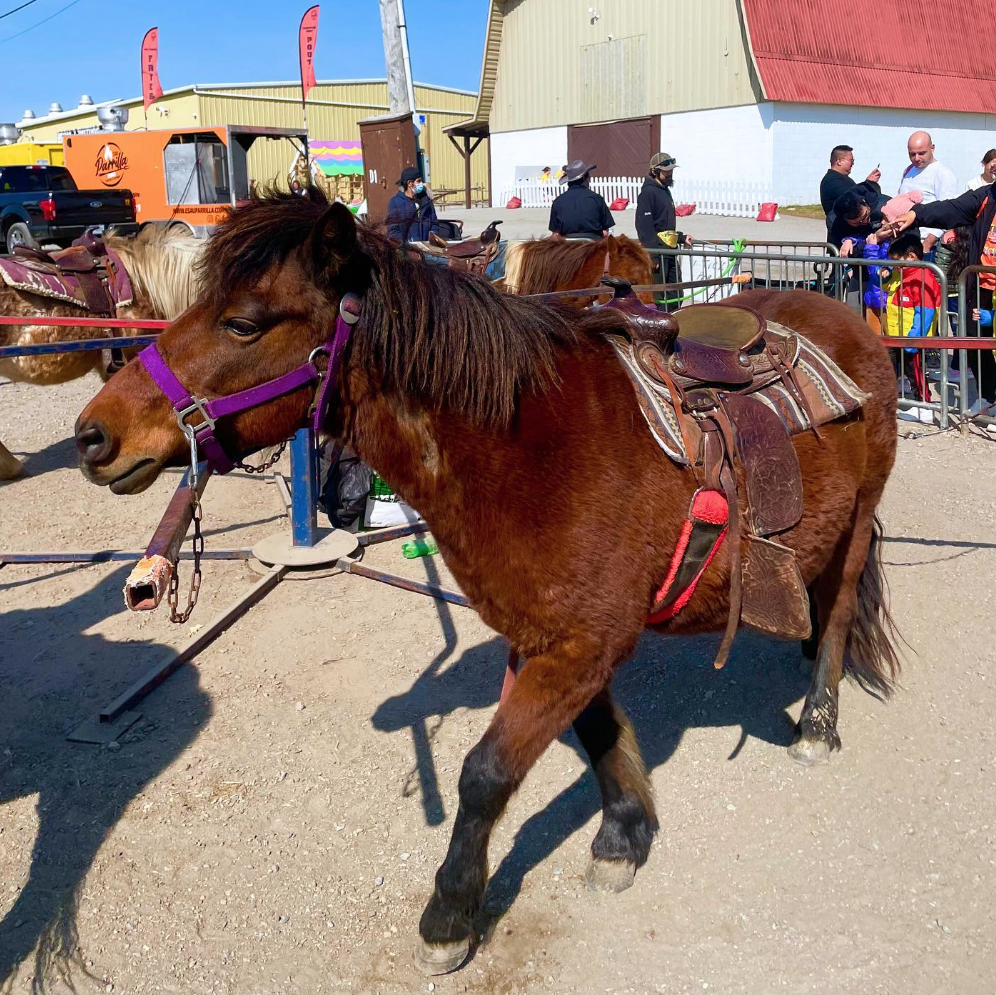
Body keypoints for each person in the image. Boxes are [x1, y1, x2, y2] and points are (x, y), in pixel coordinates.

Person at [887, 180, 996, 414]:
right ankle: (990, 395)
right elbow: (951, 209)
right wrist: (916, 214)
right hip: (983, 284)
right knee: (975, 341)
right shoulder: (987, 195)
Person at [862, 231, 939, 401]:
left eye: (897, 262)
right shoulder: (899, 274)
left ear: (911, 257)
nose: (895, 266)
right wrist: (883, 272)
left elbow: (925, 313)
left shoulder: (923, 279)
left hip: (912, 338)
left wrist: (914, 338)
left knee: (915, 372)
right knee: (889, 368)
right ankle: (885, 400)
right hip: (895, 335)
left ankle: (924, 404)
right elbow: (880, 284)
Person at [635, 152, 694, 307]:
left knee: (676, 294)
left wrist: (681, 238)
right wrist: (653, 257)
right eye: (666, 171)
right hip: (658, 254)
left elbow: (664, 227)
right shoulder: (647, 193)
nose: (670, 173)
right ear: (655, 171)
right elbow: (644, 228)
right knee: (661, 297)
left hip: (670, 251)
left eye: (671, 170)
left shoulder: (665, 190)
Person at [897, 132, 959, 256]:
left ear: (932, 148)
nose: (916, 158)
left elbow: (947, 212)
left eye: (921, 153)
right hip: (904, 240)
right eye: (912, 154)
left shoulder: (943, 174)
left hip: (926, 245)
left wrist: (927, 243)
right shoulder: (908, 170)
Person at [548, 159, 614, 240]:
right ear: (585, 178)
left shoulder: (558, 202)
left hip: (567, 249)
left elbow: (555, 234)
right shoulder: (597, 199)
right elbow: (605, 232)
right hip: (593, 248)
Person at [819, 145, 882, 226]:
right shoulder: (833, 181)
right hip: (842, 230)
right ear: (839, 161)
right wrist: (869, 183)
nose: (853, 164)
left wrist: (868, 183)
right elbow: (854, 199)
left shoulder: (841, 179)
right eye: (851, 160)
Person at [386, 166, 442, 243]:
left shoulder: (426, 200)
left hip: (427, 247)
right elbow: (393, 230)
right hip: (407, 250)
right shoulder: (395, 202)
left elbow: (434, 222)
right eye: (418, 181)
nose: (421, 184)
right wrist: (405, 244)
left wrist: (432, 236)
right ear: (410, 183)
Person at [829, 189, 883, 255]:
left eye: (866, 215)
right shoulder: (835, 223)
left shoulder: (884, 207)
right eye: (857, 223)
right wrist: (849, 240)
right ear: (845, 221)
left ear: (864, 202)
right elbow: (838, 250)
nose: (865, 221)